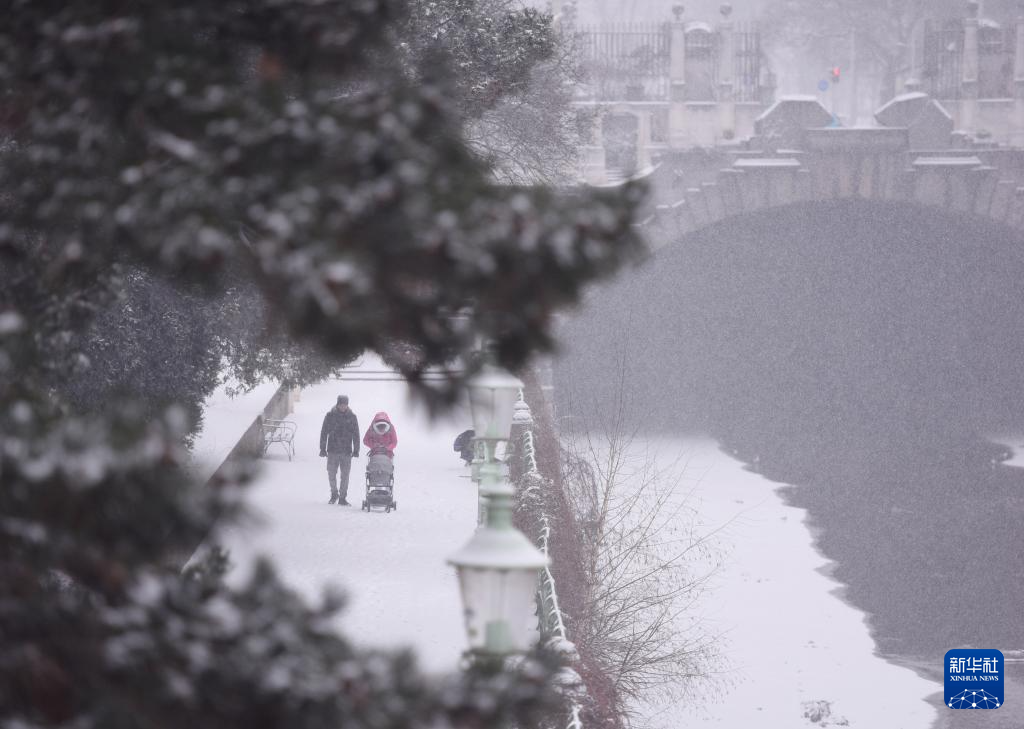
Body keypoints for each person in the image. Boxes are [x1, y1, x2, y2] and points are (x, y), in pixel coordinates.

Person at [319, 395, 360, 505]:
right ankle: (334, 493)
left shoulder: (352, 417)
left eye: (345, 404)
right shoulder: (330, 416)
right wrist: (322, 448)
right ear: (337, 404)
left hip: (346, 451)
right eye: (341, 404)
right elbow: (324, 432)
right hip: (332, 450)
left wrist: (356, 449)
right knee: (331, 473)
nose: (343, 406)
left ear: (347, 405)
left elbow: (356, 434)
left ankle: (342, 497)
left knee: (345, 476)